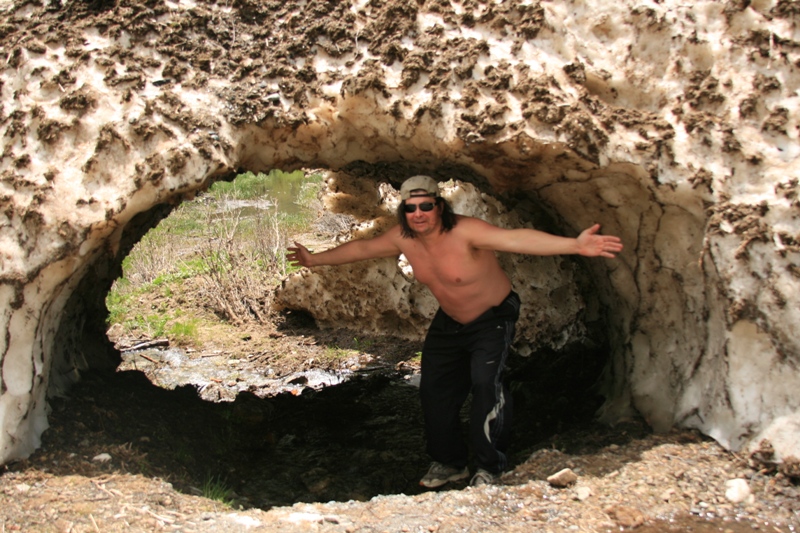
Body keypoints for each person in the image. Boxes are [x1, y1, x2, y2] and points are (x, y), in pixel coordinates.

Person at [287, 175, 623, 488]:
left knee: (486, 383)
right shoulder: (403, 237)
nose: (419, 214)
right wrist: (314, 259)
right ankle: (449, 463)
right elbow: (363, 249)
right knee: (435, 389)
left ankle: (490, 467)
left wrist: (575, 245)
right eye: (410, 208)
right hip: (450, 321)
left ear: (440, 206)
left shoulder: (466, 231)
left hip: (492, 316)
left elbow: (515, 238)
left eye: (426, 205)